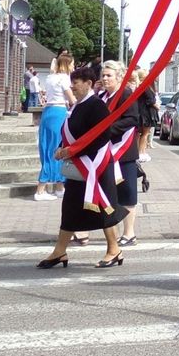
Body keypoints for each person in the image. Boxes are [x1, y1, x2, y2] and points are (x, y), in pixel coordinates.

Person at [36, 66, 128, 269]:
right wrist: (63, 148)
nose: (72, 87)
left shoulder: (96, 106)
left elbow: (102, 137)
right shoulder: (78, 106)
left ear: (88, 84)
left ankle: (114, 250)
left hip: (96, 166)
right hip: (81, 167)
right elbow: (74, 133)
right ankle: (60, 251)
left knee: (103, 208)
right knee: (69, 208)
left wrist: (72, 151)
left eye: (76, 83)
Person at [99, 61, 142, 247]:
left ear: (119, 77)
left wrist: (107, 130)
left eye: (109, 75)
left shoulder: (126, 94)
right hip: (105, 151)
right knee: (108, 194)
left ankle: (129, 233)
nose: (105, 78)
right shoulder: (102, 96)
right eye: (103, 75)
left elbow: (132, 119)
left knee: (127, 193)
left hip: (123, 152)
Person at [34, 54, 76, 201]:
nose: (73, 67)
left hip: (48, 112)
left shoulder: (51, 77)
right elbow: (71, 99)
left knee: (48, 147)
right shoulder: (64, 78)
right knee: (57, 148)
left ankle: (59, 186)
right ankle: (40, 189)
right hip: (59, 112)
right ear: (67, 64)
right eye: (72, 64)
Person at [135, 68, 158, 163]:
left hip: (141, 112)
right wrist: (156, 106)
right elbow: (151, 100)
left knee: (140, 134)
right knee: (145, 134)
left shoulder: (138, 86)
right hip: (146, 113)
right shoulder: (145, 86)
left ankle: (139, 152)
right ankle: (141, 152)